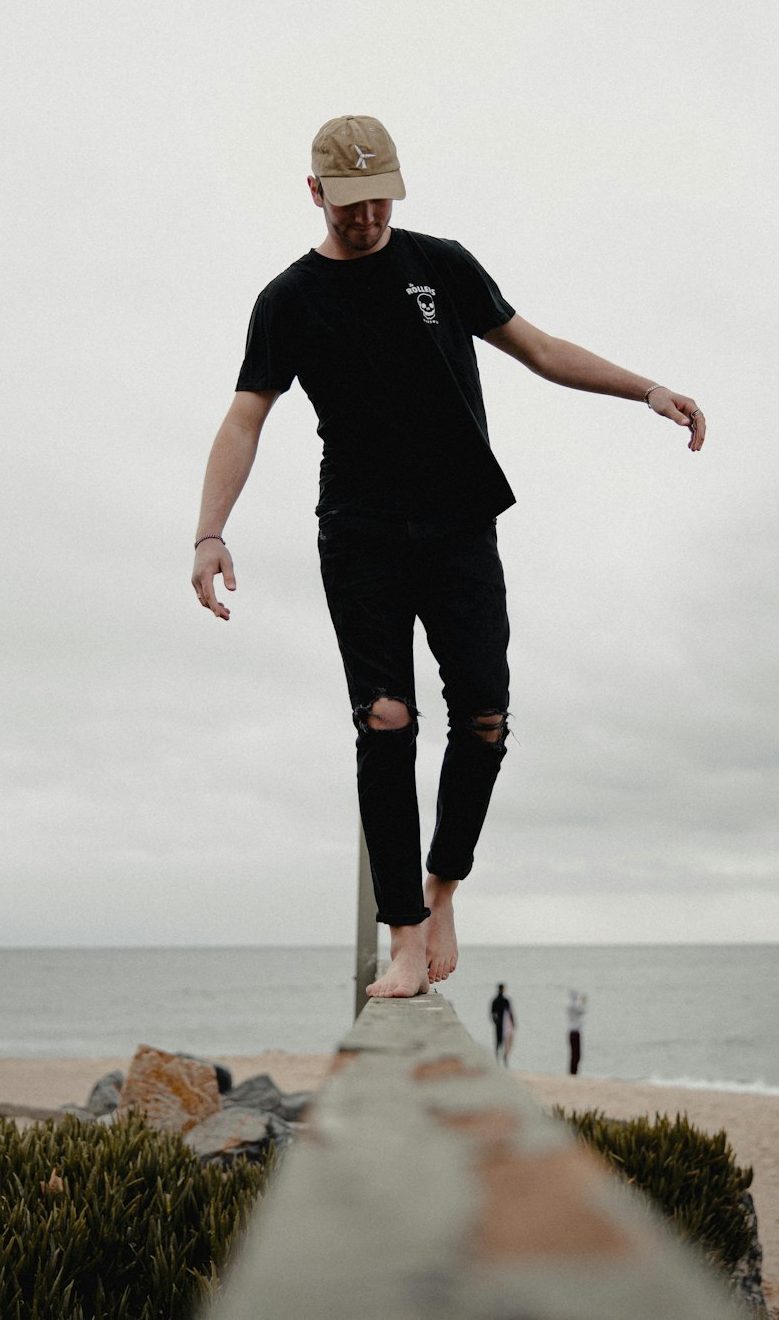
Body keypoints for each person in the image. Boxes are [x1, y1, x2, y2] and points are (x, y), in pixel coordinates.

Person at [191, 114, 706, 1000]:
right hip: (359, 532)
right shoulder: (288, 301)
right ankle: (402, 936)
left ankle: (443, 890)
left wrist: (647, 387)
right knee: (385, 719)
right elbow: (246, 416)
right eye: (349, 205)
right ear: (316, 193)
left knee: (486, 720)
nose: (367, 219)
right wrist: (210, 530)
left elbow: (539, 350)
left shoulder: (442, 265)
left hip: (461, 525)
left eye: (380, 198)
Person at [490, 983, 515, 1065]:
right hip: (505, 1024)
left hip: (498, 1023)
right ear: (503, 989)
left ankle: (497, 1058)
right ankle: (505, 1058)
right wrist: (513, 1022)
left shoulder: (495, 1000)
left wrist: (495, 1022)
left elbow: (492, 1013)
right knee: (505, 1041)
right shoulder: (505, 1000)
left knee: (498, 1041)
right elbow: (510, 1013)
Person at [567, 988, 587, 1075]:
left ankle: (573, 1071)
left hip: (571, 1031)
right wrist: (583, 1002)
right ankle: (573, 1072)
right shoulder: (573, 1006)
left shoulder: (568, 1005)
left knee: (573, 1053)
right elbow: (582, 1011)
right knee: (576, 1054)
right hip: (575, 1032)